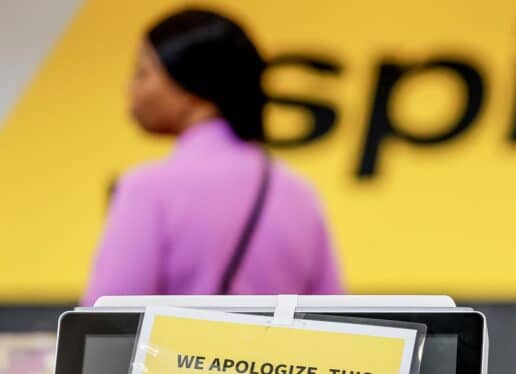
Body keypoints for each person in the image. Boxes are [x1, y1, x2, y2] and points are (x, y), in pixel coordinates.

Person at [83, 9, 343, 305]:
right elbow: (332, 318)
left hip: (174, 353)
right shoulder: (300, 194)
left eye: (143, 72)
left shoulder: (146, 189)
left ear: (191, 85)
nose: (130, 88)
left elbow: (105, 326)